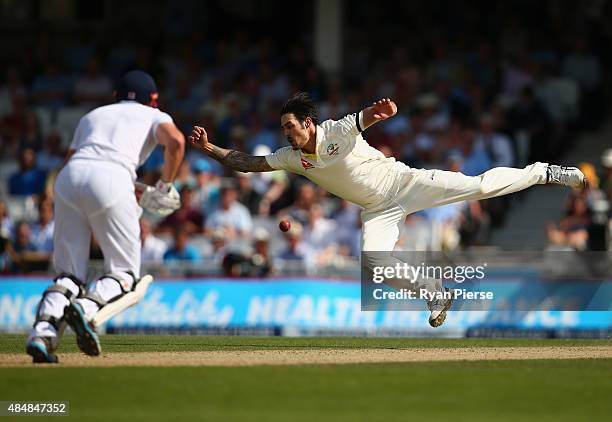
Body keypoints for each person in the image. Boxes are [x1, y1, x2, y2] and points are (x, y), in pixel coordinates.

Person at [189, 92, 587, 328]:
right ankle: (435, 293)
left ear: (309, 123)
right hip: (377, 210)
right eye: (283, 129)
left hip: (405, 184)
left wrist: (376, 114)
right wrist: (210, 149)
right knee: (375, 262)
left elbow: (361, 119)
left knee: (479, 186)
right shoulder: (292, 158)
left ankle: (544, 172)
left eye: (290, 126)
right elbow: (247, 163)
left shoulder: (335, 131)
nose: (286, 134)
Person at [26, 70, 185, 363]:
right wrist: (164, 185)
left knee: (69, 274)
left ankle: (43, 334)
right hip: (112, 177)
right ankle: (85, 308)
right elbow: (176, 142)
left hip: (69, 178)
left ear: (115, 96)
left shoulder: (94, 115)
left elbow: (75, 161)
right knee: (125, 274)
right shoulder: (155, 115)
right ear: (153, 99)